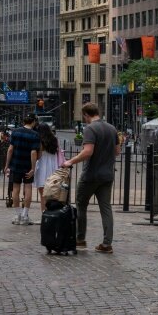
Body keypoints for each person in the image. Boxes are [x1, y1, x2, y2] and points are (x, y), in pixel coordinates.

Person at [63, 103, 120, 252]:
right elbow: (117, 151)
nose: (84, 119)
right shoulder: (112, 128)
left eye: (84, 117)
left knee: (81, 205)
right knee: (106, 208)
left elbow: (87, 152)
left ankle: (80, 239)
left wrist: (70, 161)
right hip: (107, 175)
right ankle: (107, 244)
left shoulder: (90, 129)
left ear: (87, 115)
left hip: (90, 175)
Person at [4, 114, 40, 225]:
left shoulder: (15, 132)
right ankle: (25, 215)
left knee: (15, 189)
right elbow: (34, 152)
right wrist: (33, 168)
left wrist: (6, 165)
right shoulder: (35, 135)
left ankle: (17, 214)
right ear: (33, 122)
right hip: (27, 166)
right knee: (28, 189)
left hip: (15, 165)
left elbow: (10, 149)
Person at [34, 123, 64, 212]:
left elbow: (38, 156)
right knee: (52, 192)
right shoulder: (54, 140)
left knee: (42, 193)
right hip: (53, 167)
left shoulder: (40, 141)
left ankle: (44, 213)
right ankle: (52, 213)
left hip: (42, 167)